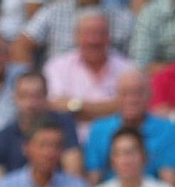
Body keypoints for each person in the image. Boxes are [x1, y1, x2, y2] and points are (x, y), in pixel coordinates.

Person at [40, 11, 131, 148]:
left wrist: (75, 106)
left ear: (109, 37)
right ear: (76, 37)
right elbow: (53, 105)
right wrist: (110, 107)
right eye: (88, 33)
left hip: (115, 145)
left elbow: (129, 105)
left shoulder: (126, 68)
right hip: (69, 145)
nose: (94, 40)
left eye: (100, 33)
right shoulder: (57, 66)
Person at [84, 69, 175, 186]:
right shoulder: (99, 130)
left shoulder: (167, 130)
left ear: (149, 95)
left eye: (138, 93)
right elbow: (93, 178)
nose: (131, 100)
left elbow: (169, 182)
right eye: (125, 93)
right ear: (116, 97)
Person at [0, 70, 81, 181]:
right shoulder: (1, 138)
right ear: (14, 97)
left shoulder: (64, 124)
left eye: (37, 96)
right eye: (24, 96)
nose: (31, 103)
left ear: (47, 96)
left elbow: (74, 174)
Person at [16, 0, 135, 66]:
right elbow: (21, 46)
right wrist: (33, 81)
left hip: (109, 89)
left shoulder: (123, 18)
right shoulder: (54, 11)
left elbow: (137, 58)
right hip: (59, 87)